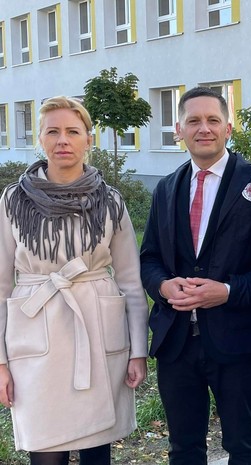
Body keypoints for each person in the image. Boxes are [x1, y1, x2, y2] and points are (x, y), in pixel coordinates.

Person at [0, 96, 148, 465]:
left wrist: (138, 351)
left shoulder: (109, 201)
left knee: (97, 447)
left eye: (72, 131)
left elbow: (131, 282)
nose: (62, 140)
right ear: (40, 139)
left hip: (98, 331)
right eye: (52, 131)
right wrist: (0, 362)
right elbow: (0, 285)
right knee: (46, 450)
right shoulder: (13, 202)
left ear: (88, 140)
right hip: (35, 337)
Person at [140, 87, 251, 465]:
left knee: (243, 446)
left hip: (237, 340)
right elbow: (149, 257)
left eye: (213, 120)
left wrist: (229, 291)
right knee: (183, 449)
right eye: (194, 121)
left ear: (228, 128)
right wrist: (163, 286)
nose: (204, 128)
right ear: (178, 130)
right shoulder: (166, 188)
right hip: (176, 342)